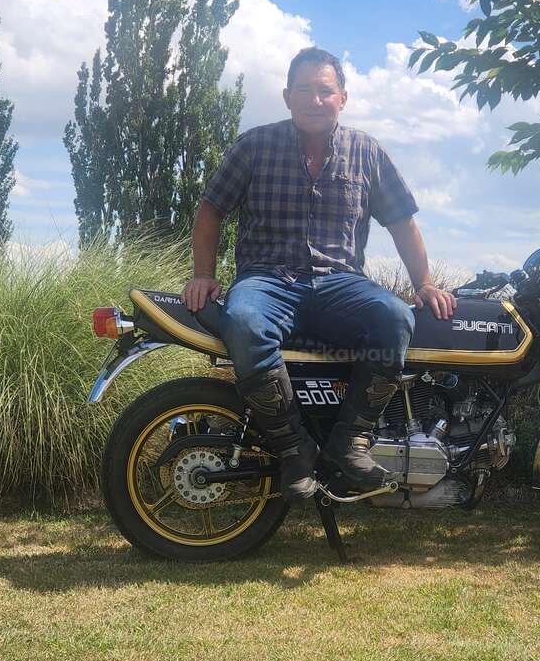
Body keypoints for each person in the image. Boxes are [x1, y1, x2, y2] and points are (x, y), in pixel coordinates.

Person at [181, 47, 456, 501]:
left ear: (342, 98)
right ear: (288, 96)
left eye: (325, 91)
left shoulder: (366, 151)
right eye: (304, 90)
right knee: (245, 322)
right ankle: (294, 451)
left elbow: (402, 221)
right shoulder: (253, 145)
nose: (315, 99)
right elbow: (210, 208)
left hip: (339, 284)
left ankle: (350, 443)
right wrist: (203, 274)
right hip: (266, 280)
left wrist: (423, 283)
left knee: (395, 318)